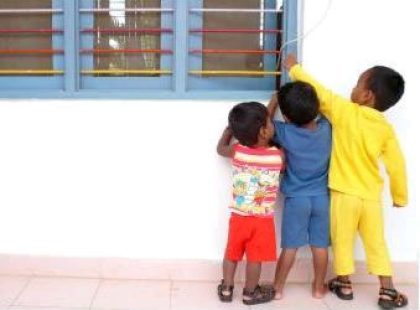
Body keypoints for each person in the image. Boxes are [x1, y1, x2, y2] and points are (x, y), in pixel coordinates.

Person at [284, 54, 408, 309]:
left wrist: (294, 68)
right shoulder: (385, 129)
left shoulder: (344, 111)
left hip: (343, 194)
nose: (352, 88)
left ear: (366, 96)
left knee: (342, 240)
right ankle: (387, 289)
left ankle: (344, 283)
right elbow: (396, 165)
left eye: (358, 84)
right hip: (370, 197)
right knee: (377, 242)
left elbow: (319, 91)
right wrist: (399, 196)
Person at [267, 82, 332, 299]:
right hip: (322, 198)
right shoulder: (326, 129)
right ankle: (318, 288)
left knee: (291, 247)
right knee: (320, 246)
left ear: (286, 116)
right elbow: (323, 113)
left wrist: (274, 101)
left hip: (297, 200)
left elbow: (264, 126)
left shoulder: (285, 132)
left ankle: (277, 288)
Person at [216, 101, 284, 305]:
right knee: (255, 258)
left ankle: (227, 289)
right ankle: (249, 292)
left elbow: (220, 149)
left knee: (232, 253)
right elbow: (283, 168)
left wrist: (229, 130)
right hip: (262, 219)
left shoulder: (238, 151)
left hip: (239, 216)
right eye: (270, 122)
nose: (273, 125)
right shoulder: (278, 156)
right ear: (264, 132)